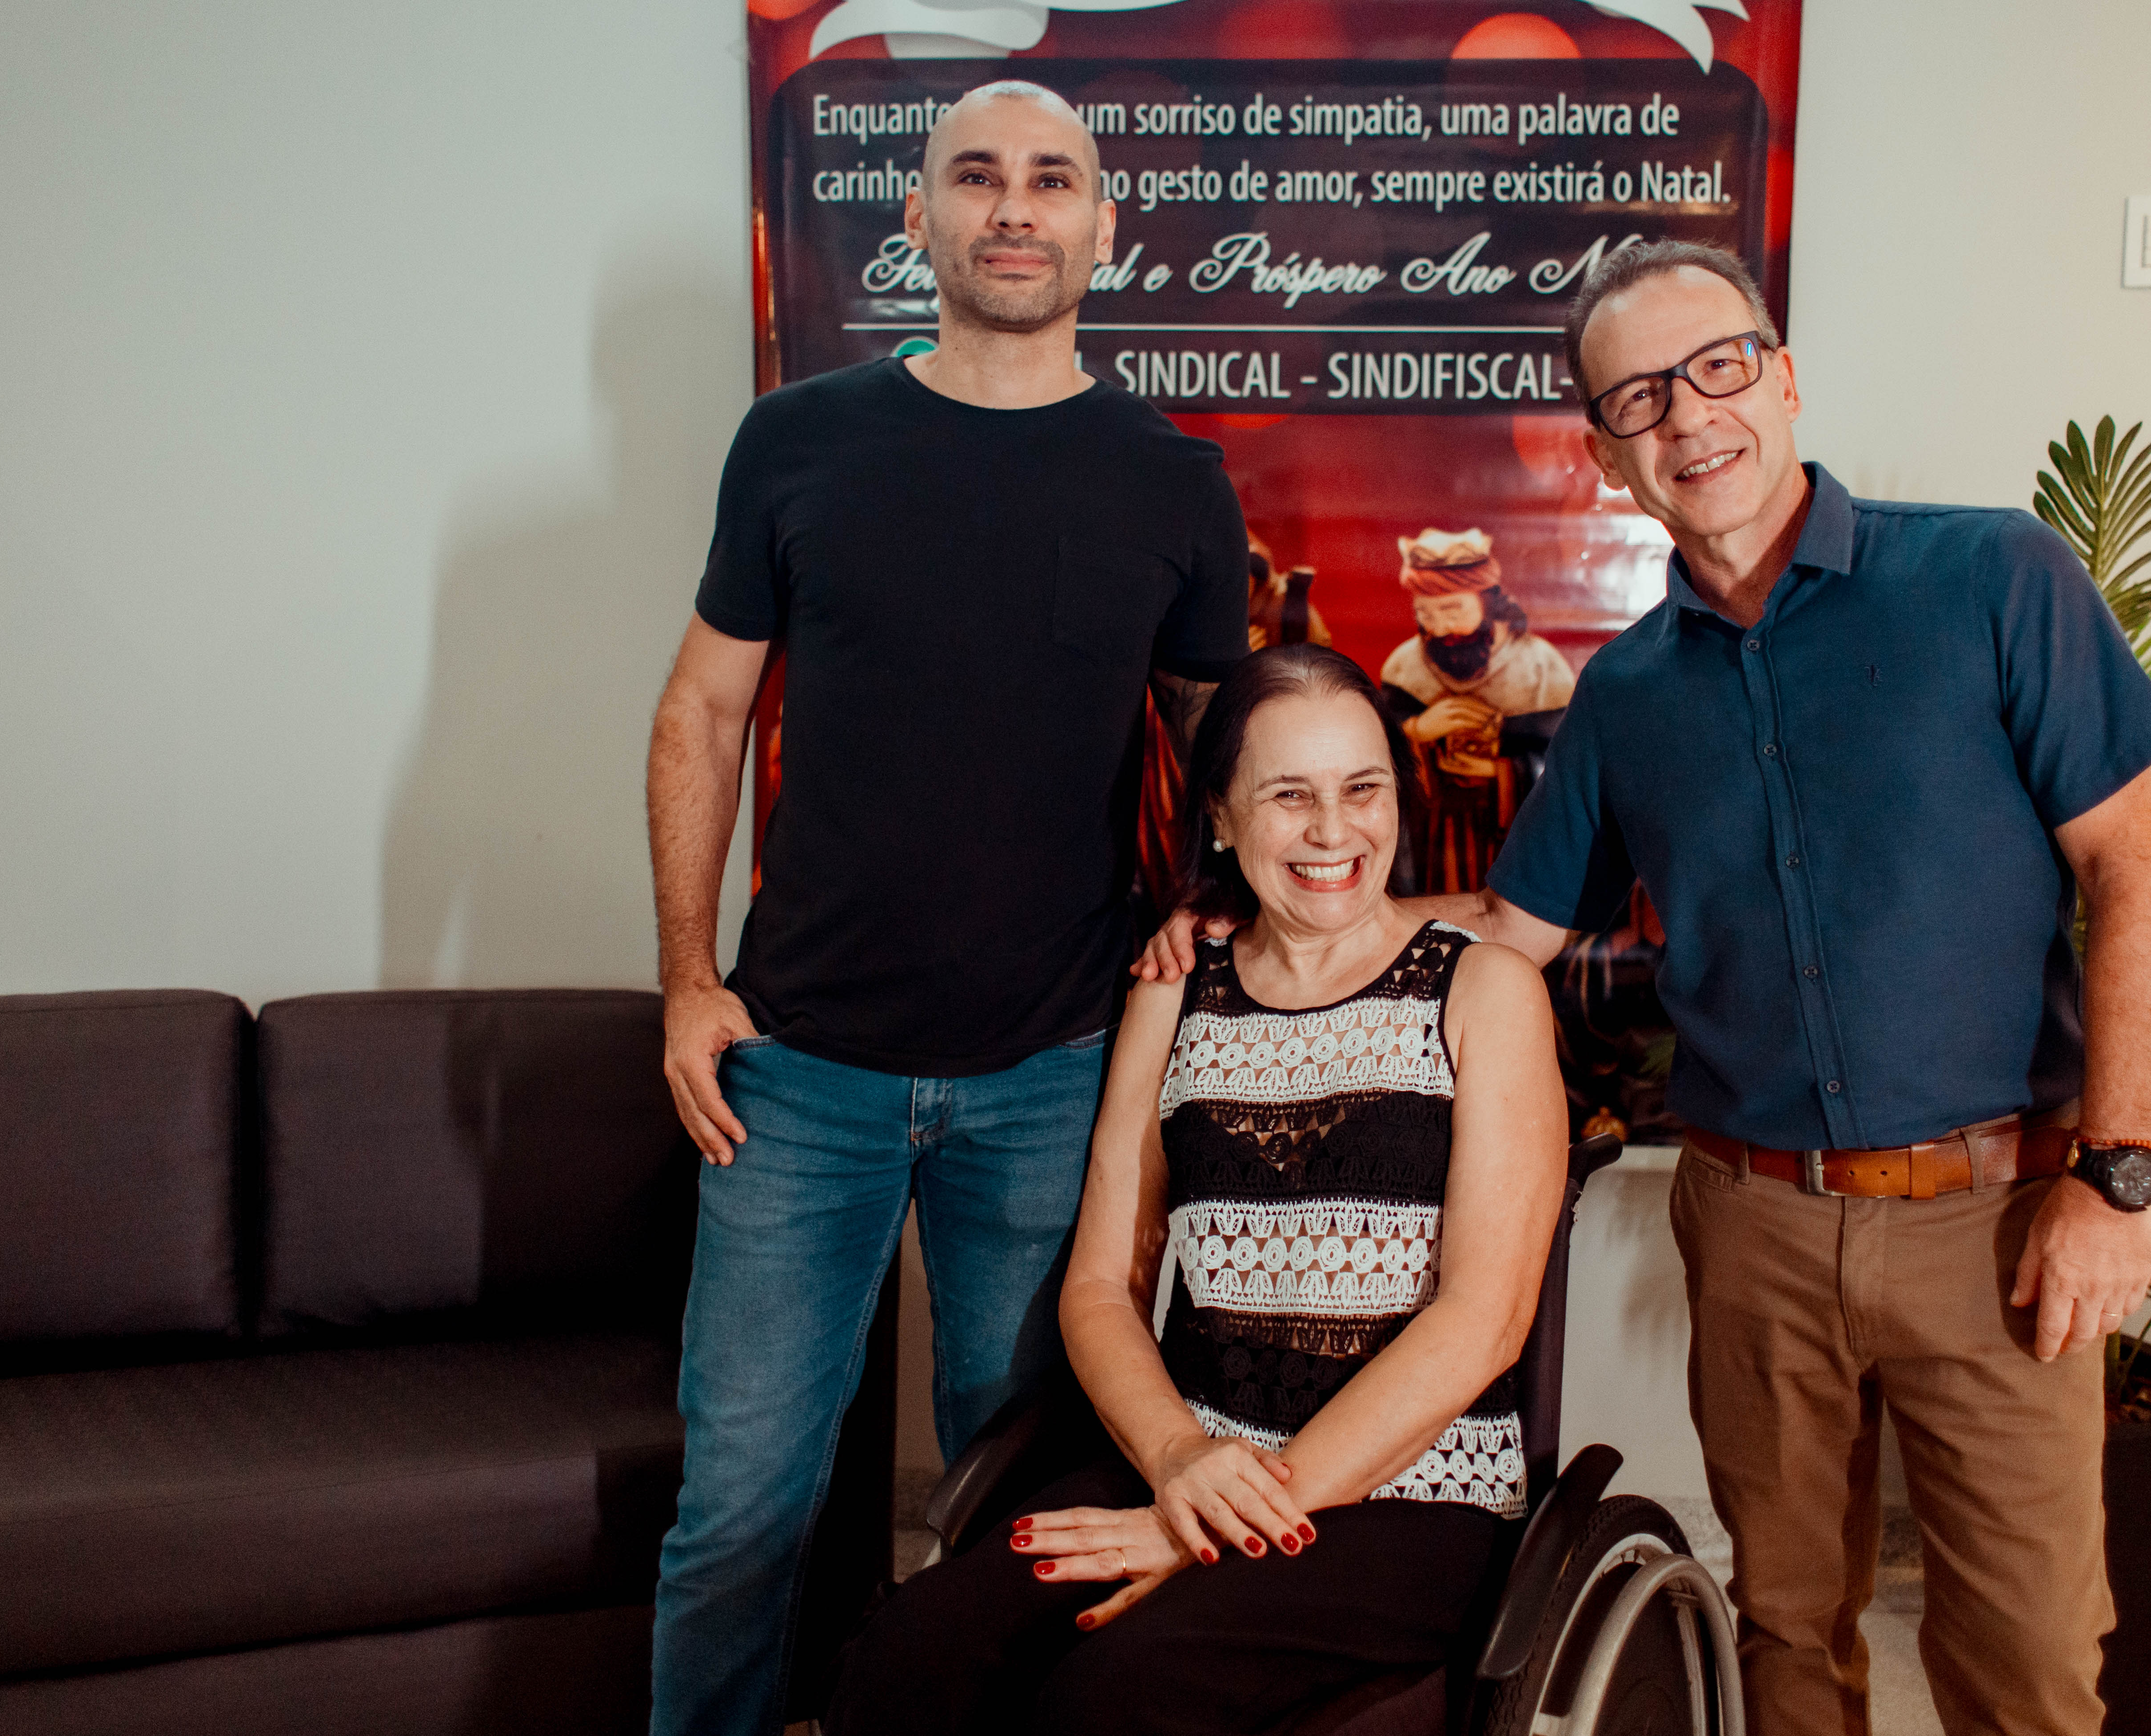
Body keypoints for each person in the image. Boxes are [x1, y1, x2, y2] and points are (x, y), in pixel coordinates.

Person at [1144, 241, 2151, 1736]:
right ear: (1605, 454)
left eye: (1718, 366)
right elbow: (1507, 926)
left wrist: (2118, 1173)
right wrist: (1253, 911)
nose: (1690, 414)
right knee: (1785, 1626)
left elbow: (2138, 874)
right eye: (1639, 396)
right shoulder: (1626, 692)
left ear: (1783, 376)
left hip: (2001, 1214)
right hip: (1755, 1223)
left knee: (2026, 1655)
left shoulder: (1991, 577)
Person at [642, 79, 1248, 1734]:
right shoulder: (796, 441)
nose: (1013, 206)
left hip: (1052, 1074)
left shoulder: (1173, 482)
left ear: (1103, 227)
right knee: (740, 1515)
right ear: (916, 217)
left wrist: (1204, 908)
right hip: (796, 1072)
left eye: (1052, 179)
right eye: (976, 176)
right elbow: (702, 709)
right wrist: (688, 977)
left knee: (1016, 1508)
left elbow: (1225, 742)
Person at [827, 644, 1568, 1735]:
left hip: (1413, 1492)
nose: (1333, 830)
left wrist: (1235, 1510)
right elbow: (1101, 1287)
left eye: (1362, 789)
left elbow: (1485, 1319)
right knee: (905, 1657)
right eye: (1289, 796)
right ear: (1221, 815)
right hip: (1194, 1450)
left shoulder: (1484, 989)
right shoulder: (1175, 991)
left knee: (1112, 1695)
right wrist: (1180, 1463)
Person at [1376, 528, 1576, 892]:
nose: (1440, 629)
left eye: (1452, 610)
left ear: (1488, 604)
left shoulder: (1539, 668)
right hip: (1432, 847)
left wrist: (1501, 772)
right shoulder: (1405, 667)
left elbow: (1570, 767)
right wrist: (1416, 730)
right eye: (1425, 613)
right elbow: (1376, 754)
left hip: (1511, 844)